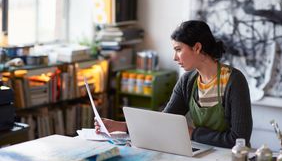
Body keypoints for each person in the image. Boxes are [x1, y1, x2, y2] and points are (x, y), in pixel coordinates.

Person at [95, 20, 253, 148]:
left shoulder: (234, 81)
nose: (174, 58)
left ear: (197, 47)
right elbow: (163, 123)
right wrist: (121, 126)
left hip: (231, 159)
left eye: (178, 49)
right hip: (201, 154)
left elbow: (239, 140)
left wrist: (192, 133)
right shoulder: (187, 81)